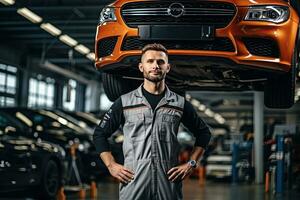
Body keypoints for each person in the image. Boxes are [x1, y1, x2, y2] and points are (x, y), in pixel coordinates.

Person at [93, 43, 211, 200]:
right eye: (150, 61)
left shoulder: (179, 104)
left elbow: (203, 133)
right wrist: (111, 165)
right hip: (133, 180)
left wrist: (191, 164)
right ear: (141, 67)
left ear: (167, 68)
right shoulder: (125, 102)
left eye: (160, 62)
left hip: (168, 181)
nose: (155, 66)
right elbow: (99, 134)